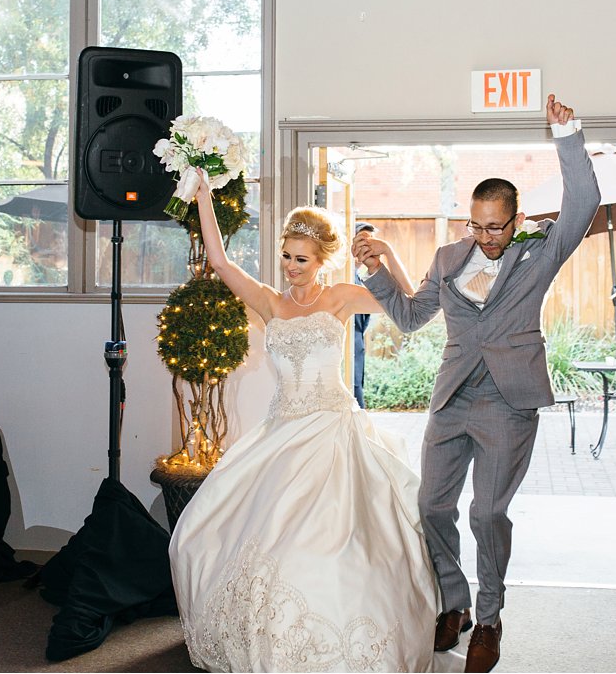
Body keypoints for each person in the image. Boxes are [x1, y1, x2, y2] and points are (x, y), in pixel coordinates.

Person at [352, 94, 598, 673]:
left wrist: (569, 138)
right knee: (433, 505)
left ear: (515, 222)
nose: (487, 237)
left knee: (488, 513)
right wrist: (375, 272)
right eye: (478, 225)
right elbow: (412, 317)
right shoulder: (446, 257)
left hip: (509, 402)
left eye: (497, 227)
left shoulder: (540, 254)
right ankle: (453, 602)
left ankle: (488, 619)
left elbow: (583, 203)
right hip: (452, 399)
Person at [169, 183, 437, 671]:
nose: (291, 267)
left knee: (331, 544)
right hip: (281, 432)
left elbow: (409, 304)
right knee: (221, 532)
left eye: (302, 260)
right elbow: (223, 263)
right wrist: (202, 195)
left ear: (322, 262)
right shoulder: (271, 302)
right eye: (287, 257)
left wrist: (389, 253)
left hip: (334, 430)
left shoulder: (340, 298)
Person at [351, 221, 377, 407]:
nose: (367, 248)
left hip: (357, 348)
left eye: (371, 243)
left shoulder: (362, 276)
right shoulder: (344, 277)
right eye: (362, 242)